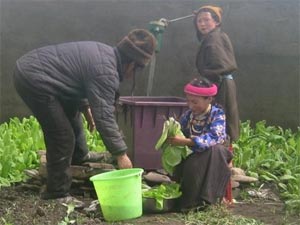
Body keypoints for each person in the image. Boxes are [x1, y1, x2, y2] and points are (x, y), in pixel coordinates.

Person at [13, 29, 156, 207]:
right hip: (34, 79)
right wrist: (120, 154)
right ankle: (56, 193)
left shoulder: (107, 55)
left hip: (42, 73)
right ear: (133, 64)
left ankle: (79, 156)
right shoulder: (107, 71)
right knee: (62, 136)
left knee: (74, 118)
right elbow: (104, 117)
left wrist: (86, 108)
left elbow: (73, 78)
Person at [167, 77, 233, 212]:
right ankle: (191, 201)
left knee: (214, 151)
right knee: (191, 163)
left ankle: (209, 199)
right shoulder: (188, 116)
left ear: (209, 99)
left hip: (215, 155)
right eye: (188, 101)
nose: (190, 106)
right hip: (194, 153)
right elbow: (181, 132)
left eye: (195, 102)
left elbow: (215, 138)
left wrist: (186, 141)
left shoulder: (217, 114)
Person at [193, 5, 240, 143]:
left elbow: (218, 66)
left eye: (206, 20)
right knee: (224, 120)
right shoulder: (214, 37)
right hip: (220, 83)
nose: (202, 24)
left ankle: (224, 156)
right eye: (199, 21)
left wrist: (203, 88)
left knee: (220, 121)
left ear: (217, 22)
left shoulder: (215, 39)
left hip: (219, 85)